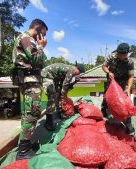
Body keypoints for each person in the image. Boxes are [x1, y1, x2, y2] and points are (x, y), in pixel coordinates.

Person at [12, 19, 48, 160]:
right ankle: (23, 151)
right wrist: (41, 46)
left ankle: (25, 143)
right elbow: (37, 60)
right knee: (32, 113)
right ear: (38, 28)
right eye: (43, 33)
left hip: (29, 80)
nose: (43, 37)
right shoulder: (27, 38)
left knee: (29, 112)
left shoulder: (25, 38)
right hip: (30, 81)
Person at [101, 43, 135, 134]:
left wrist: (128, 89)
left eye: (124, 55)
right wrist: (108, 72)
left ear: (127, 54)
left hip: (123, 83)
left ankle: (128, 124)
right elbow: (103, 66)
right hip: (112, 81)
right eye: (120, 54)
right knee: (107, 98)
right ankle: (104, 110)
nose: (121, 56)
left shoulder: (130, 62)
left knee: (125, 103)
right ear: (117, 52)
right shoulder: (111, 57)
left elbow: (131, 76)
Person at [41, 63, 85, 131]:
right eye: (79, 72)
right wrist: (64, 97)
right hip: (47, 75)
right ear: (77, 69)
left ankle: (59, 113)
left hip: (53, 78)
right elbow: (65, 85)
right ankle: (48, 122)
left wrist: (74, 82)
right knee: (52, 96)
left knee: (58, 94)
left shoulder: (67, 71)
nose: (77, 74)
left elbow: (64, 86)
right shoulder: (71, 70)